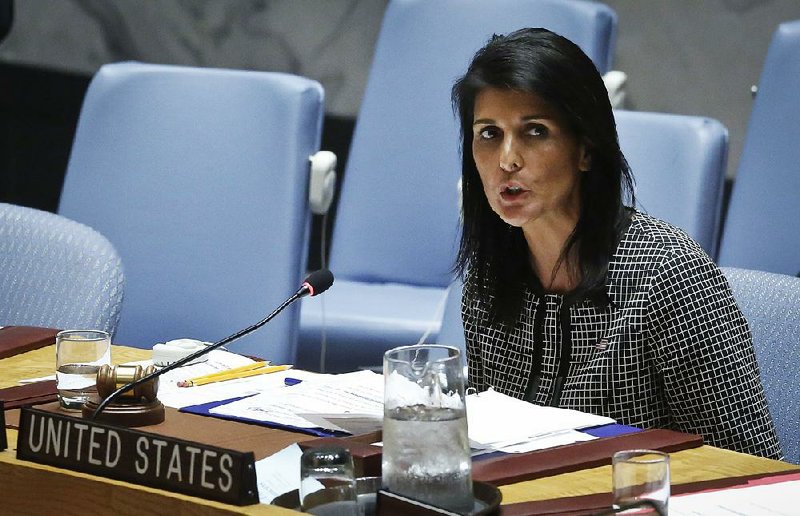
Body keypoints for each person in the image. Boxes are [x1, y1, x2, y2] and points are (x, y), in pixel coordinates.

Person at [451, 28, 782, 459]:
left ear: (585, 149)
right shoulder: (489, 275)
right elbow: (488, 443)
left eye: (534, 131)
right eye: (489, 133)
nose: (507, 160)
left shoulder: (668, 274)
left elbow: (750, 467)